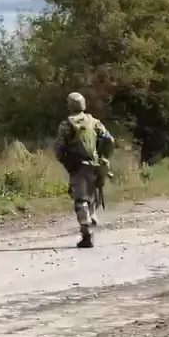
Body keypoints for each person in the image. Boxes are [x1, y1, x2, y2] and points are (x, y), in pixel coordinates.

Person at [54, 91, 114, 248]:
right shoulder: (93, 121)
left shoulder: (67, 124)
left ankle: (87, 234)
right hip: (94, 165)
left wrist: (67, 163)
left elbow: (59, 149)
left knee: (81, 200)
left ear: (70, 105)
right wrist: (103, 157)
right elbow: (109, 140)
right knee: (91, 196)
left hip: (78, 166)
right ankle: (91, 219)